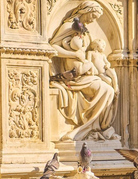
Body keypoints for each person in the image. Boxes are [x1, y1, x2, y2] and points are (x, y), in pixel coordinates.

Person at [50, 1, 119, 141]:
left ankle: (98, 128)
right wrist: (73, 55)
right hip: (73, 74)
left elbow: (88, 53)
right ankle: (84, 130)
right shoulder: (68, 27)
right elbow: (53, 48)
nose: (93, 20)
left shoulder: (85, 32)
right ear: (85, 11)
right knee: (107, 90)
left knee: (110, 89)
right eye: (93, 16)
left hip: (84, 73)